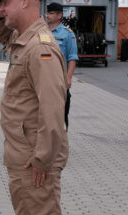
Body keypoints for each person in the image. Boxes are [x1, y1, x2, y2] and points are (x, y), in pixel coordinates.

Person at [0, 0, 68, 215]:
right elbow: (5, 37)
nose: (2, 7)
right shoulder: (25, 40)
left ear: (24, 2)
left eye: (6, 2)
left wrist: (43, 158)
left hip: (35, 165)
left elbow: (52, 108)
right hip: (24, 158)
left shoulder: (40, 47)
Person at [47, 2, 78, 130]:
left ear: (59, 15)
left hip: (59, 80)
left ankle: (60, 145)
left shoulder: (68, 33)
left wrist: (68, 77)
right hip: (42, 78)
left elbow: (72, 57)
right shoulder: (40, 31)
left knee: (61, 115)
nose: (47, 15)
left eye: (51, 13)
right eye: (47, 12)